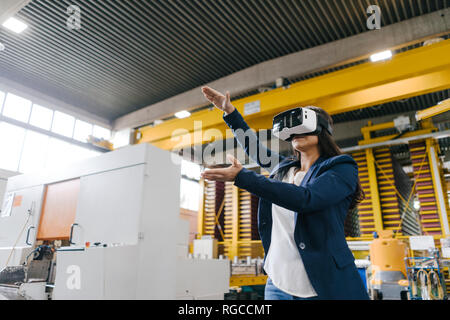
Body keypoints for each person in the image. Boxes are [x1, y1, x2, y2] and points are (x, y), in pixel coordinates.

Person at [201, 86, 369, 300]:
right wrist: (230, 112)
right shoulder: (284, 168)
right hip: (277, 283)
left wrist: (242, 177)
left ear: (322, 130)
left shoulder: (341, 167)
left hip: (322, 285)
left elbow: (306, 199)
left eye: (303, 125)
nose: (297, 132)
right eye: (293, 129)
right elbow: (255, 149)